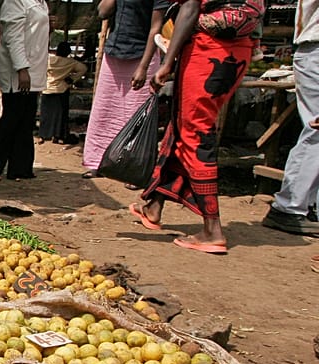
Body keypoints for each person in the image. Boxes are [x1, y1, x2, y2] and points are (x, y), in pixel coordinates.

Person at [130, 0, 261, 253]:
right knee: (183, 127)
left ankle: (212, 229)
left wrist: (167, 63)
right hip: (239, 51)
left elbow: (189, 8)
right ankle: (154, 206)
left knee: (195, 134)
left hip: (208, 51)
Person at [82, 0, 168, 179]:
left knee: (138, 114)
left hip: (142, 55)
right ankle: (98, 162)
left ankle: (134, 168)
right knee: (104, 111)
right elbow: (103, 12)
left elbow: (155, 29)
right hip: (114, 52)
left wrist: (143, 67)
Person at [261, 0, 319, 237]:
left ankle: (306, 206)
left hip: (313, 51)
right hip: (315, 48)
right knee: (316, 131)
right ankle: (289, 206)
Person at [0, 0, 50, 182]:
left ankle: (20, 168)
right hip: (18, 72)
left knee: (26, 120)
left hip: (34, 69)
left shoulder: (41, 3)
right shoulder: (16, 1)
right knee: (12, 119)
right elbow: (13, 37)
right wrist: (22, 69)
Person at [39, 42, 87, 144]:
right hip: (62, 89)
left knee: (45, 115)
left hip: (47, 89)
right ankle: (58, 136)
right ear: (68, 52)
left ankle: (42, 135)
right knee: (60, 115)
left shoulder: (49, 60)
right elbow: (83, 68)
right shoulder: (70, 62)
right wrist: (71, 79)